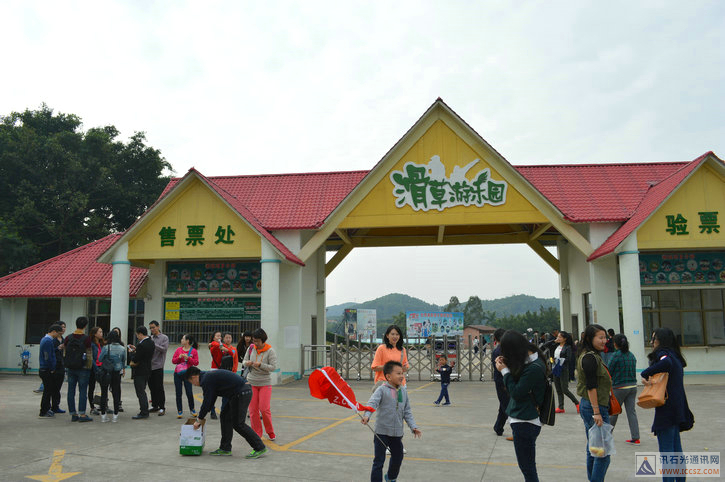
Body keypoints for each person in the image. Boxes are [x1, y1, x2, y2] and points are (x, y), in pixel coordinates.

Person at [495, 330, 547, 482]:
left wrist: (504, 371)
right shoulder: (531, 361)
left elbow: (516, 392)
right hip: (525, 420)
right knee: (527, 466)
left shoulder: (534, 368)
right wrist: (506, 363)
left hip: (525, 422)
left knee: (527, 468)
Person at [641, 327, 693, 481]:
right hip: (678, 407)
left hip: (667, 409)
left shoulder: (664, 354)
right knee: (676, 451)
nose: (652, 342)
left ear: (661, 340)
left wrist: (645, 373)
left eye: (654, 339)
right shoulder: (675, 355)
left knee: (667, 453)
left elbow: (665, 362)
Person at [186, 366, 268, 458]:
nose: (194, 385)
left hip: (241, 392)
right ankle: (225, 448)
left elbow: (207, 401)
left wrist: (199, 419)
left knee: (238, 424)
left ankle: (259, 447)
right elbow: (211, 399)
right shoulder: (207, 377)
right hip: (236, 393)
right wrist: (202, 416)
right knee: (225, 417)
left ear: (194, 377)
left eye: (192, 382)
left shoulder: (206, 379)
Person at [361, 360, 422, 482]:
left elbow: (407, 411)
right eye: (398, 373)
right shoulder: (381, 390)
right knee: (379, 461)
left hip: (397, 433)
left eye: (402, 373)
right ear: (388, 377)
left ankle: (391, 477)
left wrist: (413, 427)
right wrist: (367, 415)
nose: (401, 376)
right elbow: (372, 403)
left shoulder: (403, 391)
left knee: (398, 457)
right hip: (381, 433)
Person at [576, 324, 613, 482]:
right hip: (594, 407)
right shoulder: (590, 358)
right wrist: (596, 412)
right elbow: (591, 386)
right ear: (590, 339)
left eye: (605, 337)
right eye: (600, 337)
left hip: (590, 405)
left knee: (594, 449)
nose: (604, 341)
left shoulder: (591, 356)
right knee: (602, 454)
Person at [243, 328, 277, 441]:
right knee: (253, 410)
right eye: (254, 340)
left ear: (263, 340)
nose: (255, 343)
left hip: (264, 382)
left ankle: (270, 432)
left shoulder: (270, 351)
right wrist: (247, 363)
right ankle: (257, 433)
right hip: (251, 382)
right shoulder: (251, 348)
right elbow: (244, 361)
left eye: (257, 341)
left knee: (264, 409)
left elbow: (273, 367)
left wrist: (261, 365)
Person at [608, 334, 640, 445]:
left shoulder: (615, 356)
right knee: (631, 412)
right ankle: (636, 437)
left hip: (619, 387)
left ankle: (607, 434)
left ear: (615, 344)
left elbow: (608, 371)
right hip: (632, 387)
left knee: (614, 411)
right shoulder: (631, 355)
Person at [63, 316, 94, 422]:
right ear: (85, 326)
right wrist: (89, 367)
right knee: (83, 391)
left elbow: (65, 353)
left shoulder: (68, 338)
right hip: (83, 368)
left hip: (71, 368)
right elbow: (89, 355)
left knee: (71, 391)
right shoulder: (86, 339)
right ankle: (82, 414)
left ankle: (73, 414)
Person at [98, 329, 126, 422]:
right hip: (116, 372)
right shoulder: (122, 348)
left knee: (104, 393)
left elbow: (100, 359)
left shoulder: (106, 348)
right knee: (116, 393)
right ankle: (115, 415)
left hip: (106, 372)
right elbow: (123, 361)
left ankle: (103, 415)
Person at [128, 326, 155, 419]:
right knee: (142, 390)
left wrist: (131, 353)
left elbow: (136, 358)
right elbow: (144, 354)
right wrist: (137, 349)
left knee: (140, 392)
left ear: (140, 334)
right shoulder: (151, 342)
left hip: (140, 370)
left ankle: (144, 412)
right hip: (147, 369)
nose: (137, 337)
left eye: (137, 335)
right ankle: (144, 410)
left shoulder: (141, 345)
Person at [371, 325, 409, 390]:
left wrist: (403, 368)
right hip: (384, 384)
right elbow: (375, 368)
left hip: (399, 384)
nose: (395, 336)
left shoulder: (402, 350)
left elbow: (405, 368)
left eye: (397, 334)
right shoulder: (381, 348)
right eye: (392, 334)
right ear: (387, 335)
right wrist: (390, 367)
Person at [38, 324, 63, 417]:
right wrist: (52, 368)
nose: (58, 336)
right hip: (46, 369)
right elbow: (47, 356)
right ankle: (44, 410)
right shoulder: (48, 341)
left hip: (45, 368)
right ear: (53, 331)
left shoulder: (45, 340)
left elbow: (50, 352)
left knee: (48, 390)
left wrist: (57, 348)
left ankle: (46, 409)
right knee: (48, 391)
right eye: (58, 333)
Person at [172, 334, 199, 418]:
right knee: (178, 392)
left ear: (187, 341)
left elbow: (196, 362)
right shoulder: (178, 350)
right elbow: (173, 361)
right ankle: (179, 411)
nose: (181, 340)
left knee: (189, 392)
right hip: (178, 373)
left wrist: (188, 358)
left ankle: (192, 409)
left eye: (183, 339)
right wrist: (179, 357)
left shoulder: (193, 351)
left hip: (188, 374)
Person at [491, 328, 511, 439]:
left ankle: (498, 427)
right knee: (507, 405)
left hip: (504, 380)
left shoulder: (500, 350)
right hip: (502, 381)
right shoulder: (500, 351)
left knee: (504, 404)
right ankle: (515, 430)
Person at [553, 331, 579, 414]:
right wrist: (554, 341)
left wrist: (560, 360)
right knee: (558, 389)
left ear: (564, 339)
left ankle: (577, 403)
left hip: (563, 369)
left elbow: (569, 359)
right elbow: (545, 346)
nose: (558, 338)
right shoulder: (556, 346)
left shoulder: (568, 347)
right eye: (557, 337)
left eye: (560, 337)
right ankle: (561, 407)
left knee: (564, 389)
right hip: (555, 368)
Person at [148, 320, 169, 416]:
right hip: (150, 366)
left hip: (158, 366)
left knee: (159, 387)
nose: (152, 329)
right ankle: (154, 405)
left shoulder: (164, 338)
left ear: (158, 327)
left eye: (153, 327)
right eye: (150, 328)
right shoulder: (150, 338)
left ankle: (162, 407)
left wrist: (153, 343)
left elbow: (164, 349)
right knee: (151, 387)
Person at [50, 321, 67, 414]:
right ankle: (50, 406)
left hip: (62, 365)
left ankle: (55, 406)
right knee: (52, 387)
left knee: (58, 387)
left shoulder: (64, 340)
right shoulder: (52, 340)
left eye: (64, 327)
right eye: (61, 327)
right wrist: (58, 348)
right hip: (54, 366)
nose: (63, 329)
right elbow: (50, 352)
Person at [87, 326, 104, 415]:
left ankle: (103, 405)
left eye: (101, 332)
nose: (101, 334)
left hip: (101, 367)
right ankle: (92, 407)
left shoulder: (101, 344)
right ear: (94, 334)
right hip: (93, 369)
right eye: (99, 332)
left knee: (103, 387)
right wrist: (96, 368)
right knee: (91, 387)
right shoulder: (91, 344)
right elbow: (91, 358)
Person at [207, 330, 224, 419]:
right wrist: (218, 344)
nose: (219, 337)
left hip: (222, 369)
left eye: (220, 336)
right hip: (214, 369)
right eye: (217, 336)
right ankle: (212, 410)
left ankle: (223, 410)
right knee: (213, 392)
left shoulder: (221, 345)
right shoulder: (214, 344)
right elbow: (217, 346)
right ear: (213, 338)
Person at [109, 326, 125, 413]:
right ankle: (105, 403)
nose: (116, 334)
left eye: (118, 332)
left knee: (117, 387)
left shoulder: (121, 345)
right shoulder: (107, 345)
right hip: (108, 369)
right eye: (115, 332)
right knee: (108, 387)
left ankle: (118, 403)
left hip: (118, 369)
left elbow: (123, 359)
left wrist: (123, 368)